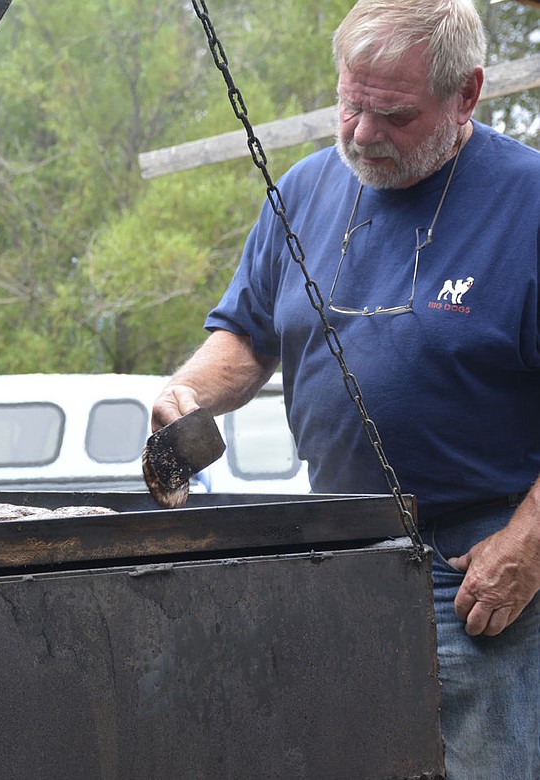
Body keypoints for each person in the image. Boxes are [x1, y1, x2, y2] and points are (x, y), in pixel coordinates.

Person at [151, 0, 540, 775]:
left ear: (466, 95)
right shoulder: (304, 189)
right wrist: (187, 390)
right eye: (350, 103)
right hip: (337, 550)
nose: (361, 134)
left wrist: (529, 543)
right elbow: (250, 333)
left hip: (479, 571)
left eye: (392, 114)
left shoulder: (527, 203)